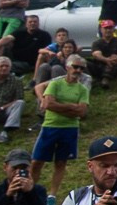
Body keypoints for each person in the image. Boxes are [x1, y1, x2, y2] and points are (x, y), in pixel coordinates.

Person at [33, 55, 92, 194]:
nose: (78, 70)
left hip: (70, 129)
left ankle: (52, 194)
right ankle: (30, 190)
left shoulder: (82, 89)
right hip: (50, 126)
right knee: (37, 161)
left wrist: (59, 106)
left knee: (61, 163)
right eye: (75, 66)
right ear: (67, 67)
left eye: (81, 68)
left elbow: (82, 111)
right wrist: (71, 107)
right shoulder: (55, 84)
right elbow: (48, 104)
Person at [85, 22, 117, 89]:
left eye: (110, 28)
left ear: (113, 29)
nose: (108, 30)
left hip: (114, 67)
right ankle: (91, 79)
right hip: (99, 67)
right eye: (105, 28)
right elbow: (96, 54)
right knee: (83, 62)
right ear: (101, 29)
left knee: (114, 58)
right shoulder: (96, 43)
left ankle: (106, 79)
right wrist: (106, 59)